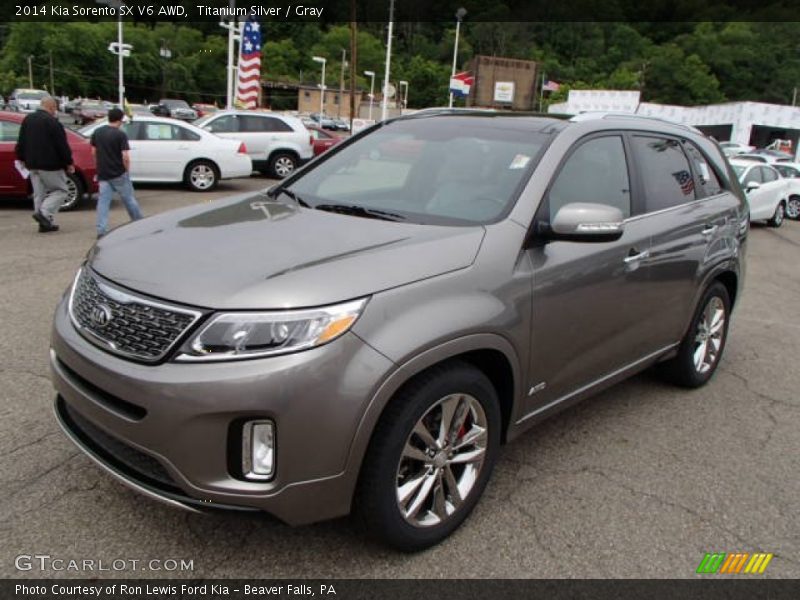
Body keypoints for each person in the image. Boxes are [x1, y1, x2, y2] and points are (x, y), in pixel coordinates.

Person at [15, 95, 74, 233]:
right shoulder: (53, 122)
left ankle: (44, 223)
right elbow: (61, 145)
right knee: (61, 190)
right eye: (55, 108)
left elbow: (21, 140)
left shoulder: (28, 119)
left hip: (31, 164)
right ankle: (44, 213)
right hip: (50, 164)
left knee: (39, 193)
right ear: (51, 107)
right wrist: (68, 162)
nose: (56, 110)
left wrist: (21, 157)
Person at [90, 107, 143, 238]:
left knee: (103, 201)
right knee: (129, 199)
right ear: (120, 120)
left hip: (103, 173)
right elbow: (125, 156)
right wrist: (127, 170)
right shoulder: (120, 135)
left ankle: (101, 230)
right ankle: (139, 223)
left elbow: (93, 152)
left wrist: (99, 164)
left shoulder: (97, 132)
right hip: (118, 172)